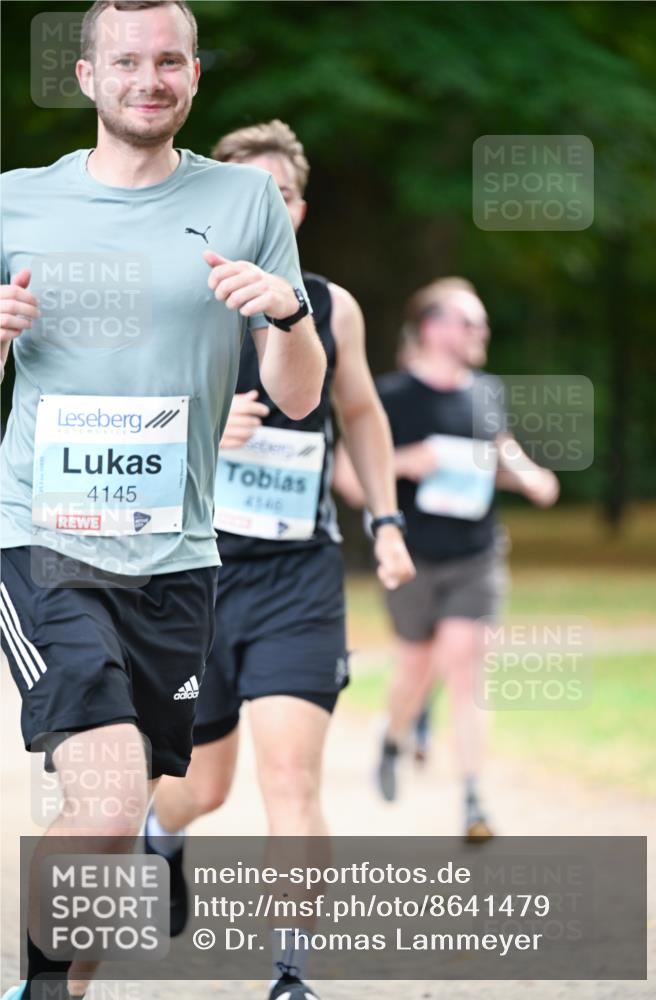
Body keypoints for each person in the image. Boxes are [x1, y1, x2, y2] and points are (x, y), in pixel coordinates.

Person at [0, 4, 326, 999]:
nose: (150, 76)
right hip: (44, 537)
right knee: (103, 804)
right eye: (128, 60)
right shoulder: (17, 200)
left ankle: (58, 985)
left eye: (170, 60)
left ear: (192, 77)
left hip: (178, 557)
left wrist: (287, 311)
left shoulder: (242, 202)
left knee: (129, 802)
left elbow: (303, 393)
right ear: (89, 76)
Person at [144, 119, 415, 1000]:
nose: (260, 210)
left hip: (298, 576)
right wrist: (197, 431)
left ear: (296, 208)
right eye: (241, 195)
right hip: (190, 577)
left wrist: (386, 522)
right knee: (203, 787)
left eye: (276, 196)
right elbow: (99, 424)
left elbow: (364, 415)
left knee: (291, 775)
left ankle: (290, 972)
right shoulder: (167, 302)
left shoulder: (332, 307)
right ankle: (159, 833)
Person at [334, 278, 559, 840]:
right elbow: (347, 479)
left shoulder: (486, 392)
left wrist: (527, 476)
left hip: (476, 556)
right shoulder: (390, 396)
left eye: (481, 322)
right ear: (432, 328)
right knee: (416, 667)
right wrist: (413, 460)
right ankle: (394, 736)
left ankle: (473, 800)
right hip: (409, 557)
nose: (480, 331)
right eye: (468, 322)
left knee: (465, 665)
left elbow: (496, 454)